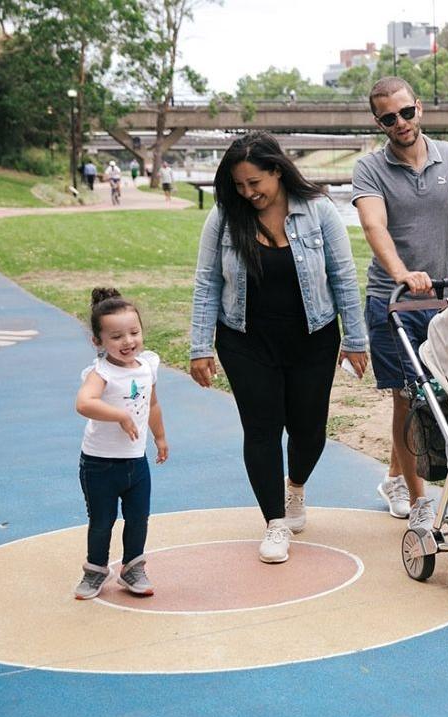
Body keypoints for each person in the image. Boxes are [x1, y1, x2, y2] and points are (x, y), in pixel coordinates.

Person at [189, 131, 368, 564]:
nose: (248, 193)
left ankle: (296, 487)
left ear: (277, 170)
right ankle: (274, 523)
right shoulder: (224, 217)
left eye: (255, 183)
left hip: (312, 337)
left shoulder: (319, 210)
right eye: (239, 185)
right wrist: (200, 346)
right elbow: (207, 281)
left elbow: (343, 278)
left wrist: (355, 339)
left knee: (310, 431)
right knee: (262, 429)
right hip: (245, 340)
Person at [352, 76, 448, 529]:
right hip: (392, 300)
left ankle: (395, 476)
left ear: (419, 108)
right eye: (389, 118)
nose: (400, 123)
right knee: (408, 399)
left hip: (444, 297)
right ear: (379, 122)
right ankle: (418, 499)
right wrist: (401, 274)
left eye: (406, 113)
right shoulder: (370, 169)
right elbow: (375, 228)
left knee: (438, 395)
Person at [73, 287, 168, 600]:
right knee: (102, 521)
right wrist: (119, 415)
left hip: (135, 461)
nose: (128, 342)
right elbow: (84, 403)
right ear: (98, 342)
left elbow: (152, 405)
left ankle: (132, 567)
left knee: (139, 517)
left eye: (134, 332)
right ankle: (96, 570)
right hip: (100, 463)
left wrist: (159, 436)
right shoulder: (101, 372)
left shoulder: (147, 366)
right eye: (116, 337)